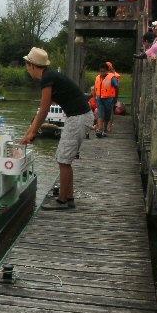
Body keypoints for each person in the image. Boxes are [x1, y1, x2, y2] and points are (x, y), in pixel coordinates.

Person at [21, 47, 93, 210]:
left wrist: (32, 133)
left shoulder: (47, 79)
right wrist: (27, 134)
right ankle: (69, 197)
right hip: (80, 117)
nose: (27, 69)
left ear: (32, 65)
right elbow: (42, 111)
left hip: (78, 118)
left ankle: (62, 201)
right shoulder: (51, 76)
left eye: (27, 65)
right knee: (65, 160)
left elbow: (44, 110)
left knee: (63, 159)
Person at [94, 62, 119, 138]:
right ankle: (99, 129)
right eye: (101, 71)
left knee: (107, 115)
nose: (102, 73)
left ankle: (104, 129)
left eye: (104, 71)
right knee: (100, 113)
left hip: (109, 99)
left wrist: (115, 98)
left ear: (107, 71)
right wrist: (95, 97)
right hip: (99, 99)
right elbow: (96, 88)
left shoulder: (112, 78)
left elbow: (116, 88)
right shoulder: (97, 77)